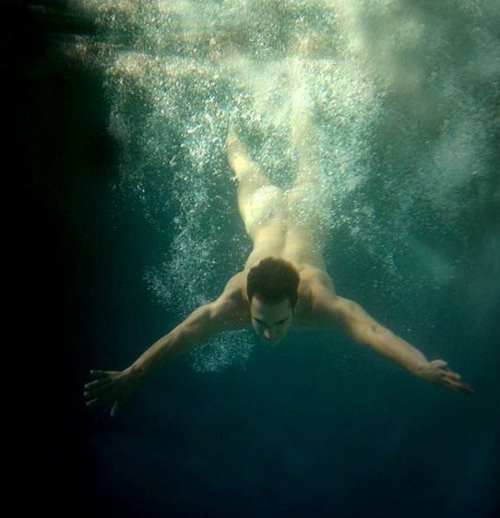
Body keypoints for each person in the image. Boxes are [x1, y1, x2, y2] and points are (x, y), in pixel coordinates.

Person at [84, 101, 473, 417]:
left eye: (278, 322)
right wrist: (133, 373)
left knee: (295, 158)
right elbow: (183, 333)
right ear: (248, 299)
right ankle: (241, 111)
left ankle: (290, 90)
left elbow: (372, 331)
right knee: (249, 162)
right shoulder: (237, 299)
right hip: (279, 213)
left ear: (298, 298)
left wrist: (417, 365)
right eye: (260, 322)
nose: (269, 333)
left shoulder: (318, 302)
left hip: (285, 213)